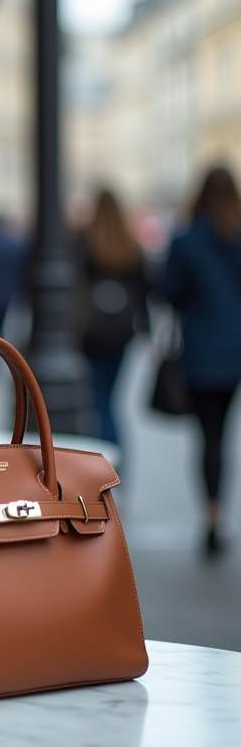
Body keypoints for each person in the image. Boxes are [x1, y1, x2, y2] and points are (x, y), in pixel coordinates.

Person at [164, 166, 241, 557]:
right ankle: (218, 514)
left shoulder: (186, 239)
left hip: (200, 352)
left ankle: (212, 516)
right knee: (222, 434)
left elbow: (170, 292)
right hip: (235, 351)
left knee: (208, 437)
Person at [75, 190, 151, 447]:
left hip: (91, 331)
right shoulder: (130, 244)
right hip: (121, 332)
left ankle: (102, 463)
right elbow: (145, 290)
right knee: (111, 400)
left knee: (97, 400)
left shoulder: (84, 241)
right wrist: (147, 331)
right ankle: (116, 464)